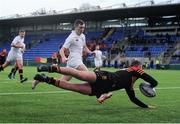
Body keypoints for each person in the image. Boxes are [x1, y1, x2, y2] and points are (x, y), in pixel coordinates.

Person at [33, 60, 158, 108]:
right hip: (105, 77)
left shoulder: (129, 85)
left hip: (101, 88)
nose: (143, 70)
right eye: (142, 68)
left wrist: (146, 106)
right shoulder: (135, 69)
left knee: (74, 87)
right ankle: (50, 68)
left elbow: (133, 99)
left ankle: (45, 79)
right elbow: (154, 81)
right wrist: (151, 86)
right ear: (138, 67)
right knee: (79, 74)